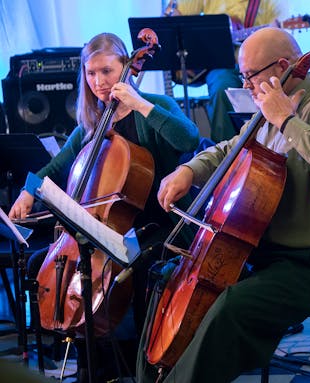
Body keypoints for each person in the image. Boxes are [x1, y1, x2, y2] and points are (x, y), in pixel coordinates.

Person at [136, 27, 310, 383]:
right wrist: (188, 169)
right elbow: (232, 147)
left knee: (233, 307)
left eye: (249, 76)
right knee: (165, 274)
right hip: (270, 253)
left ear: (282, 66)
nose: (245, 85)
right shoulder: (267, 110)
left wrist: (287, 120)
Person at [8, 32, 200, 382]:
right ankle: (92, 364)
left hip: (159, 225)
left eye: (107, 71)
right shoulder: (93, 124)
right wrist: (28, 191)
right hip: (109, 229)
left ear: (128, 67)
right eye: (91, 73)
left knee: (130, 271)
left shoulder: (153, 106)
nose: (99, 82)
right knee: (43, 262)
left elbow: (188, 139)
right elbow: (54, 168)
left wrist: (141, 104)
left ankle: (136, 363)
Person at [166, 0, 282, 143]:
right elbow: (177, 19)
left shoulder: (269, 3)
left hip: (257, 65)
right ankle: (225, 154)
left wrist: (274, 32)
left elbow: (278, 42)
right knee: (222, 86)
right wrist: (191, 52)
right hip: (219, 65)